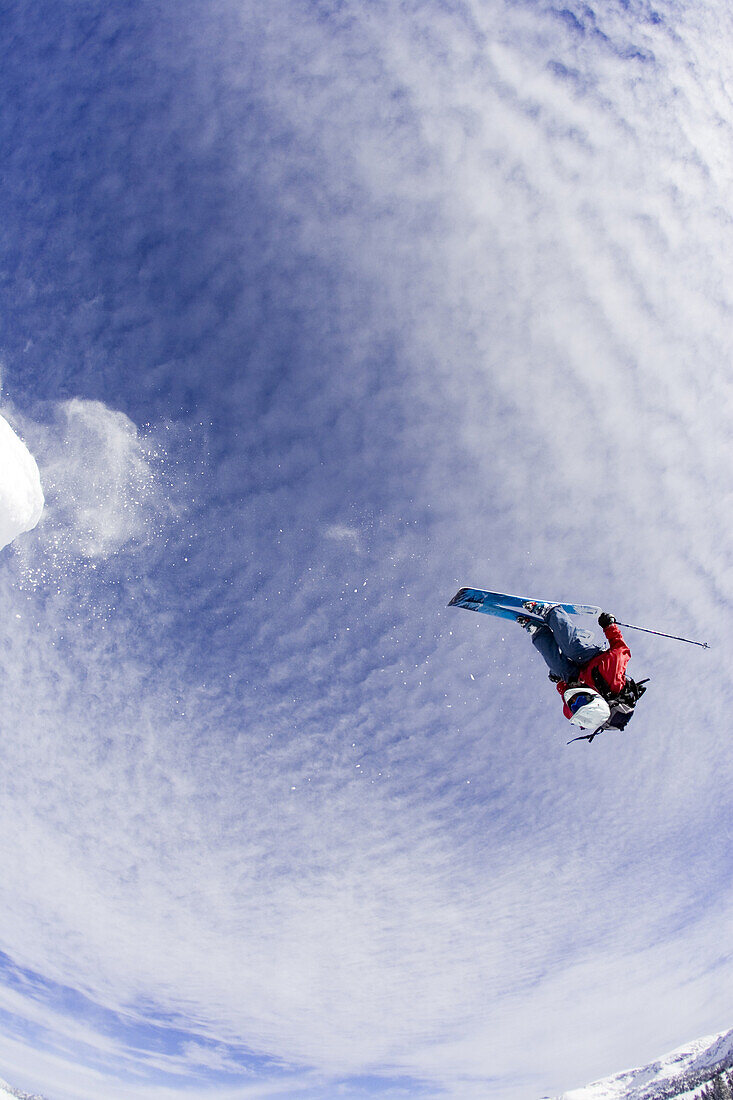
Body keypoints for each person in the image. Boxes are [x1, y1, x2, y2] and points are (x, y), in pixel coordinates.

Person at [518, 605, 646, 739]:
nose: (574, 701)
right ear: (595, 699)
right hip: (594, 660)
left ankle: (538, 632)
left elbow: (565, 693)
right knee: (572, 650)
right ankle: (551, 612)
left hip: (579, 677)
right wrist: (609, 626)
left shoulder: (571, 711)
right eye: (580, 701)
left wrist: (561, 682)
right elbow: (621, 650)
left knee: (557, 667)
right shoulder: (611, 679)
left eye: (574, 705)